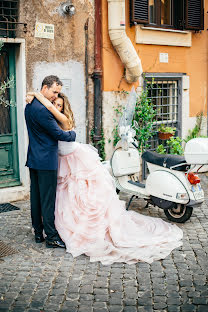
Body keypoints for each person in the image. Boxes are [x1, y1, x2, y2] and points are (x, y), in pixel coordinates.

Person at [26, 91, 183, 265]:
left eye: (60, 105)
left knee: (83, 194)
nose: (56, 107)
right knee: (64, 196)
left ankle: (76, 228)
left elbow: (61, 127)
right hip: (62, 162)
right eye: (55, 104)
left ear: (64, 107)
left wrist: (36, 95)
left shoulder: (61, 119)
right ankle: (52, 228)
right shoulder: (48, 120)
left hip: (75, 159)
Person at [24, 76, 76, 249]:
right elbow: (59, 134)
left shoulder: (30, 105)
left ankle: (38, 233)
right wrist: (73, 135)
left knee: (36, 198)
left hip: (34, 159)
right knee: (47, 200)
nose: (55, 96)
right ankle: (52, 237)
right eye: (54, 92)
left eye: (58, 93)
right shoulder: (43, 110)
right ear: (45, 88)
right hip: (46, 161)